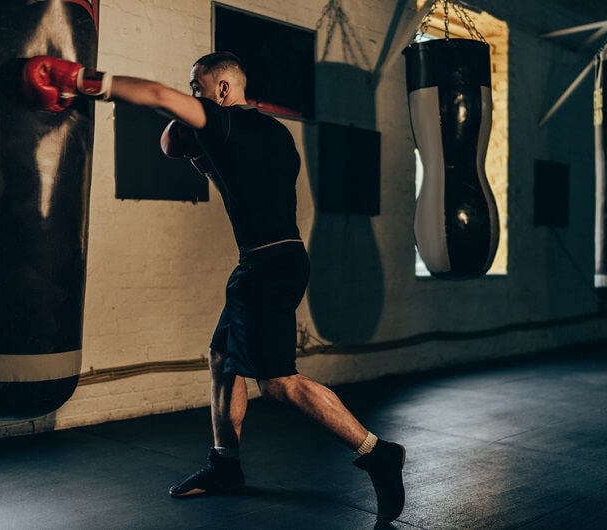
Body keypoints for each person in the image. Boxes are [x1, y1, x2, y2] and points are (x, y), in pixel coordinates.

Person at [22, 52, 406, 523]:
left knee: (280, 383)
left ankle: (377, 451)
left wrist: (83, 81)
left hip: (264, 267)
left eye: (197, 87)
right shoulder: (275, 133)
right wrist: (195, 150)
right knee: (222, 357)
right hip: (279, 259)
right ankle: (225, 464)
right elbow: (199, 158)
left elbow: (161, 99)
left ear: (222, 91)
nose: (192, 95)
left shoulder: (223, 121)